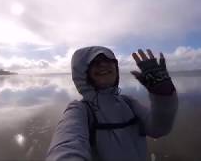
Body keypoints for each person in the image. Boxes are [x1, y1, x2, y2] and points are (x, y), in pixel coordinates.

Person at [46, 46, 178, 161]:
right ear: (82, 73)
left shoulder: (128, 103)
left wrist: (163, 94)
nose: (103, 64)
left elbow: (158, 129)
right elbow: (66, 146)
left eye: (109, 60)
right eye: (95, 62)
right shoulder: (79, 110)